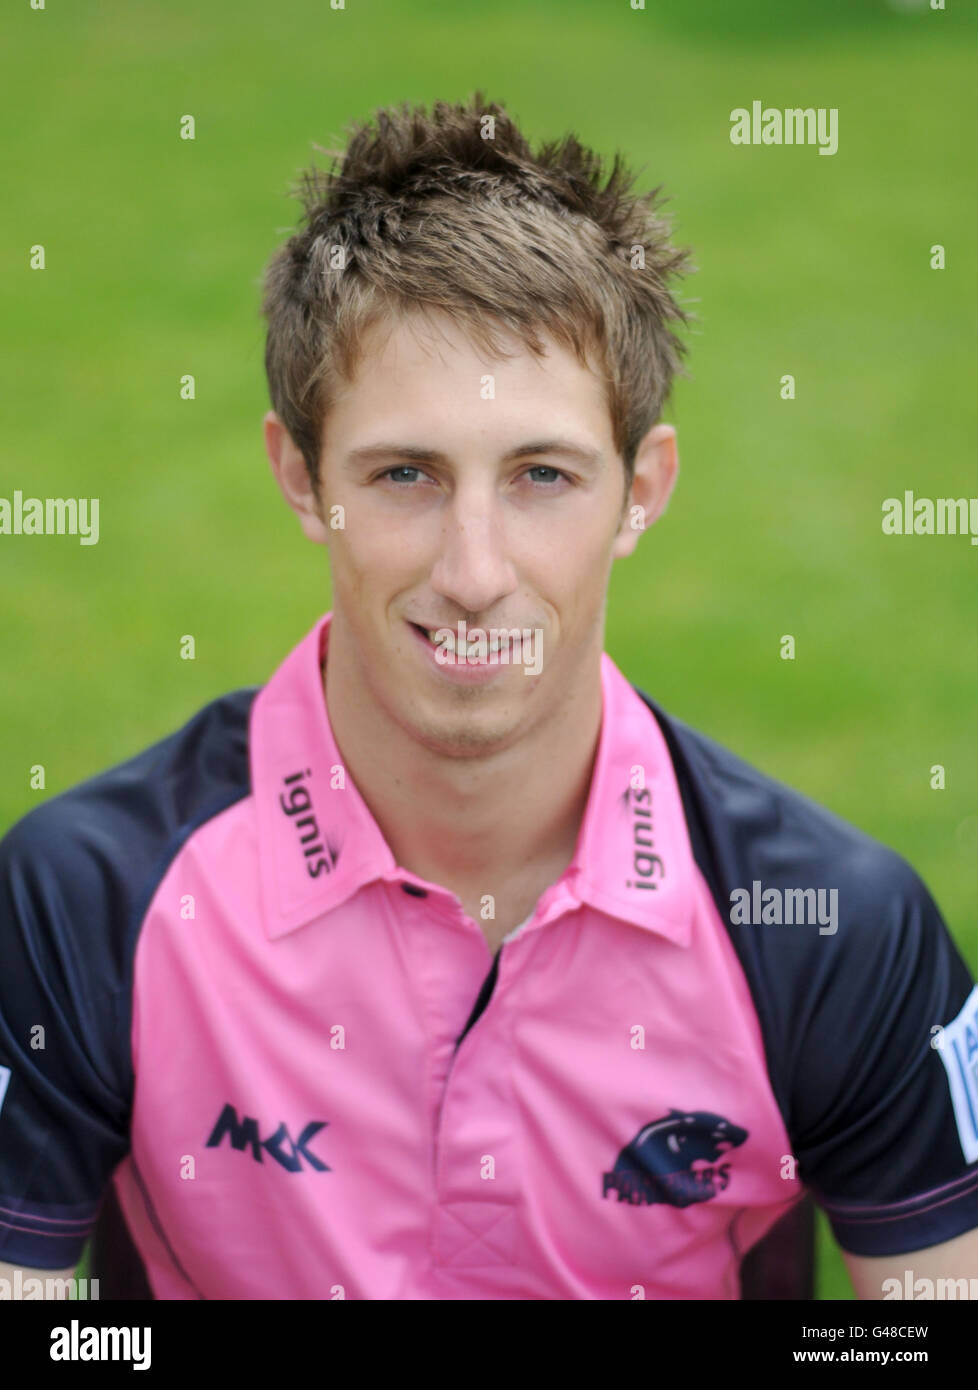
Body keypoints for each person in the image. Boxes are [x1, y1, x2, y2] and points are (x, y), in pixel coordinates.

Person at [1, 93, 976, 1301]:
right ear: (302, 479)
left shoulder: (834, 928)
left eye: (542, 476)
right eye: (404, 473)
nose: (472, 573)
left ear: (641, 491)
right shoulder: (80, 901)